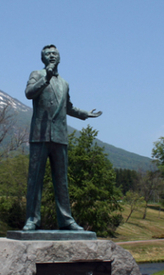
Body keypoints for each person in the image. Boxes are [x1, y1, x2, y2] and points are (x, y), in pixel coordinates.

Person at [23, 44, 102, 231]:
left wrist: (84, 114)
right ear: (43, 58)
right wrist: (46, 78)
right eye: (48, 54)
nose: (51, 56)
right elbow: (28, 93)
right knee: (35, 180)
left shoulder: (64, 83)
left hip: (59, 137)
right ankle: (32, 219)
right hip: (40, 135)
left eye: (54, 53)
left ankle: (66, 219)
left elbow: (68, 107)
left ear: (59, 58)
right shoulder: (36, 74)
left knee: (62, 181)